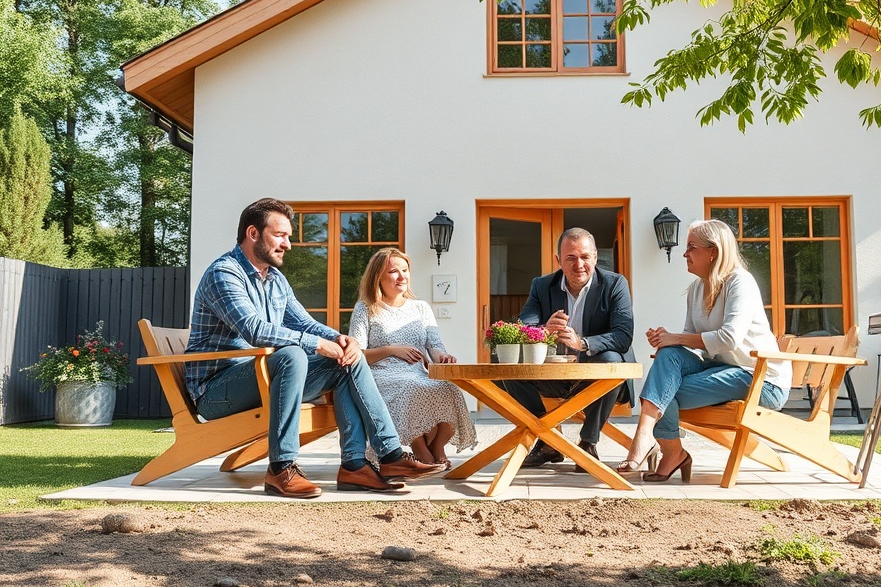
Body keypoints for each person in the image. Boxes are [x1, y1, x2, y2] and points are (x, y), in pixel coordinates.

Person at [186, 198, 445, 499]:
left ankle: (371, 461)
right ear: (253, 233)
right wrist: (318, 344)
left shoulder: (275, 280)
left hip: (260, 377)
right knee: (292, 354)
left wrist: (341, 339)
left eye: (288, 236)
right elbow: (254, 330)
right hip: (216, 390)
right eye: (280, 235)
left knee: (349, 358)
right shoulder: (225, 274)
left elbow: (304, 323)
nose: (288, 244)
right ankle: (281, 468)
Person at [617, 219, 790, 483]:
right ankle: (661, 445)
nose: (685, 254)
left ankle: (660, 446)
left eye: (691, 247)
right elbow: (689, 337)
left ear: (713, 252)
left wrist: (675, 338)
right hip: (723, 368)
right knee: (667, 356)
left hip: (760, 378)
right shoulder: (696, 289)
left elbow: (729, 338)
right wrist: (667, 340)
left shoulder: (740, 282)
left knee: (663, 390)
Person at [502, 227, 635, 472]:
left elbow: (623, 336)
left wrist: (582, 343)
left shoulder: (615, 284)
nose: (579, 264)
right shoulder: (542, 285)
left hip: (597, 381)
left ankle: (588, 443)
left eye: (585, 257)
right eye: (571, 258)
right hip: (553, 376)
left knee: (611, 360)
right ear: (558, 261)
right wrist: (543, 330)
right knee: (510, 369)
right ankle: (547, 439)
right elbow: (524, 327)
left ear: (595, 256)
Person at [349, 248, 476, 468]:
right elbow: (356, 354)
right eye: (393, 272)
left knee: (450, 389)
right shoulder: (366, 308)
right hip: (382, 375)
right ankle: (420, 449)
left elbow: (434, 345)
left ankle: (437, 447)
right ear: (378, 277)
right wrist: (391, 350)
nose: (402, 276)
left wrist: (442, 356)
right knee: (410, 388)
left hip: (417, 373)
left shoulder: (420, 307)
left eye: (405, 270)